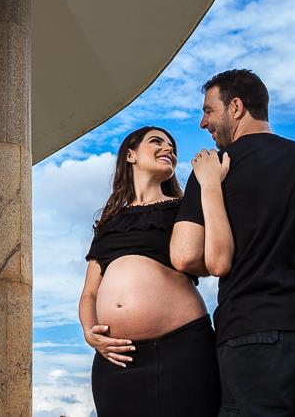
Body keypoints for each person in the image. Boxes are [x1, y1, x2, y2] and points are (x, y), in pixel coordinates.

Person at [172, 69, 295, 416]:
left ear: (236, 107)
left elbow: (186, 255)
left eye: (208, 111)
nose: (203, 123)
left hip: (252, 336)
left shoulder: (212, 170)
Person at [79, 126, 220, 416]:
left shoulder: (183, 208)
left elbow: (207, 261)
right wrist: (89, 333)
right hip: (117, 359)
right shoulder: (107, 222)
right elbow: (90, 293)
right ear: (130, 155)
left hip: (181, 348)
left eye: (172, 147)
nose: (168, 149)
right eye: (157, 142)